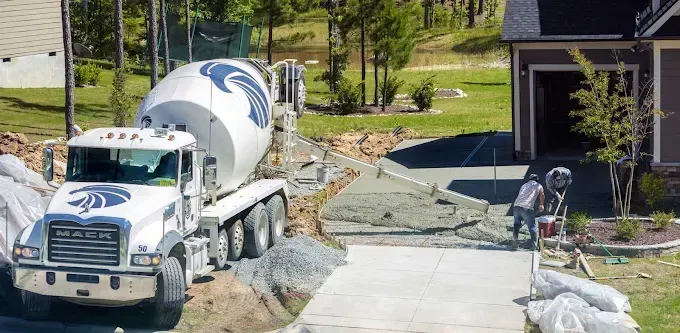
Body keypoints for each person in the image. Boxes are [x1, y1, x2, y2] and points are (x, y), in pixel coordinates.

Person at [513, 174, 545, 250]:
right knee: (532, 227)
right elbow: (542, 194)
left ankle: (515, 244)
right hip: (526, 207)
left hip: (516, 206)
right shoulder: (538, 185)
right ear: (537, 179)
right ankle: (534, 246)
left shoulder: (524, 185)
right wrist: (541, 204)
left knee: (516, 225)